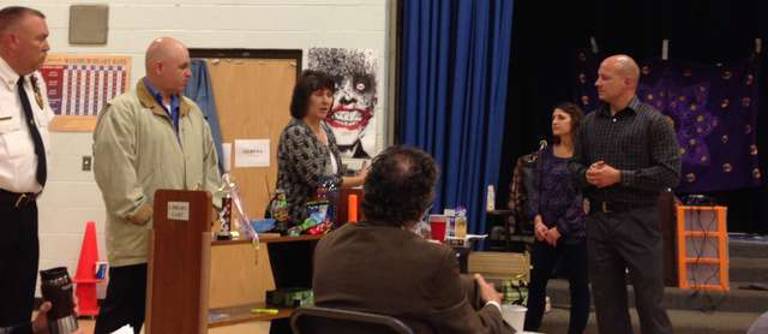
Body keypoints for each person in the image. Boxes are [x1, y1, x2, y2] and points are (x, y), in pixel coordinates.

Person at [92, 37, 221, 334]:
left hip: (185, 245)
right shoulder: (123, 111)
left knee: (177, 319)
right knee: (123, 321)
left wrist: (208, 208)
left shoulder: (193, 114)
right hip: (139, 244)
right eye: (184, 66)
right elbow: (115, 173)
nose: (190, 72)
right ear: (158, 67)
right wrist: (149, 217)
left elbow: (210, 167)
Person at [313, 146, 514, 334]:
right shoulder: (435, 259)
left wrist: (469, 287)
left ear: (366, 192)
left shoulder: (327, 246)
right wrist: (493, 305)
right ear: (421, 208)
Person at [570, 54, 680, 334]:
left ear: (628, 82)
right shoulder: (590, 123)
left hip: (639, 221)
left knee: (650, 304)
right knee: (607, 307)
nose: (597, 83)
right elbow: (572, 167)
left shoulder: (654, 122)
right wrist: (587, 175)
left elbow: (669, 174)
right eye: (597, 76)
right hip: (599, 221)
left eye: (605, 77)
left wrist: (619, 176)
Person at [0, 6, 54, 332]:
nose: (47, 46)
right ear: (12, 41)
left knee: (19, 302)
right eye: (41, 38)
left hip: (25, 210)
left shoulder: (34, 82)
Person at [524, 103, 589, 334]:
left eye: (561, 117)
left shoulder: (583, 157)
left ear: (574, 122)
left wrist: (560, 228)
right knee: (537, 284)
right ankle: (530, 329)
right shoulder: (544, 155)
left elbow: (583, 197)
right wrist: (538, 221)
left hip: (574, 232)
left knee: (578, 288)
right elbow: (534, 190)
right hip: (544, 230)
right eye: (553, 117)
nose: (555, 121)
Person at [276, 69, 367, 224]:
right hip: (295, 225)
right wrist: (358, 180)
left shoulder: (326, 129)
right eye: (319, 95)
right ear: (303, 99)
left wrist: (355, 175)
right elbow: (320, 181)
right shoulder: (296, 133)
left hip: (324, 221)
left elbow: (333, 174)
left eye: (329, 95)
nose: (326, 101)